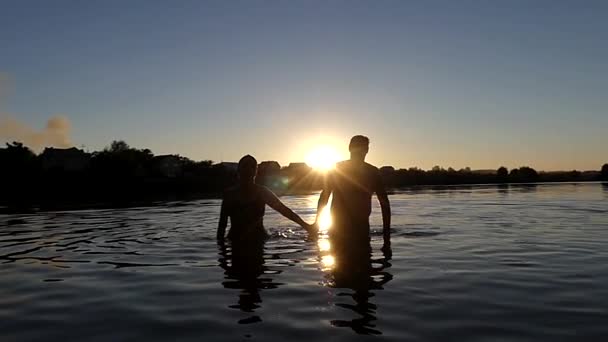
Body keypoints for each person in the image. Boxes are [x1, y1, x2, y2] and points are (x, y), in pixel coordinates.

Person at [316, 135, 391, 254]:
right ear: (350, 148)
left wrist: (387, 235)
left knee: (357, 267)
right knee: (343, 268)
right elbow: (324, 196)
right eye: (358, 147)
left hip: (360, 230)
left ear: (367, 150)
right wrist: (316, 224)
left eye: (363, 148)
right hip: (339, 229)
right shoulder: (337, 169)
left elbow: (385, 204)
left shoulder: (372, 173)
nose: (360, 151)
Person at [217, 155, 314, 243]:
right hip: (236, 240)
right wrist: (221, 251)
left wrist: (307, 227)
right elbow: (222, 225)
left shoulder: (262, 192)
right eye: (245, 167)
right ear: (238, 170)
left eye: (251, 167)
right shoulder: (230, 194)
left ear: (255, 171)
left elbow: (284, 210)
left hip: (258, 239)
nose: (247, 171)